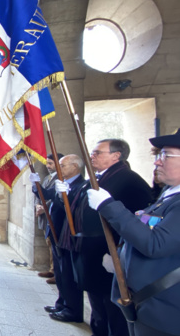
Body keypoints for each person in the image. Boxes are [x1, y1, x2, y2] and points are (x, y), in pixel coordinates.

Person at [87, 129, 180, 336]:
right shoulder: (168, 195)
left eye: (165, 155)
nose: (157, 162)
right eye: (158, 155)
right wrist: (120, 257)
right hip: (145, 303)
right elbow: (147, 224)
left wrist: (108, 206)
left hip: (163, 310)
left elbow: (156, 243)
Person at [73, 139, 152, 336]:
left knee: (112, 309)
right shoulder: (101, 176)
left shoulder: (130, 180)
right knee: (97, 303)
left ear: (116, 155)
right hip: (94, 249)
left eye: (97, 152)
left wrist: (116, 250)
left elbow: (136, 220)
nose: (92, 156)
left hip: (110, 253)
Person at [42, 155, 85, 324]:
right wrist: (36, 183)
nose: (59, 169)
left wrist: (63, 196)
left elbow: (73, 209)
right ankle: (61, 303)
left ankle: (72, 309)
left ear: (75, 166)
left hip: (67, 235)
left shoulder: (80, 185)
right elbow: (47, 194)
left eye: (63, 165)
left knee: (68, 274)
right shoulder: (63, 181)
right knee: (61, 273)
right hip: (56, 232)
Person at [30, 153, 63, 283]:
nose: (48, 166)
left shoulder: (60, 179)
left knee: (55, 244)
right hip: (44, 217)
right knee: (49, 243)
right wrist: (37, 205)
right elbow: (41, 194)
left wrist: (44, 207)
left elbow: (55, 197)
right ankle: (52, 268)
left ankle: (57, 272)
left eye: (50, 163)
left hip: (54, 216)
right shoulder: (47, 178)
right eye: (47, 163)